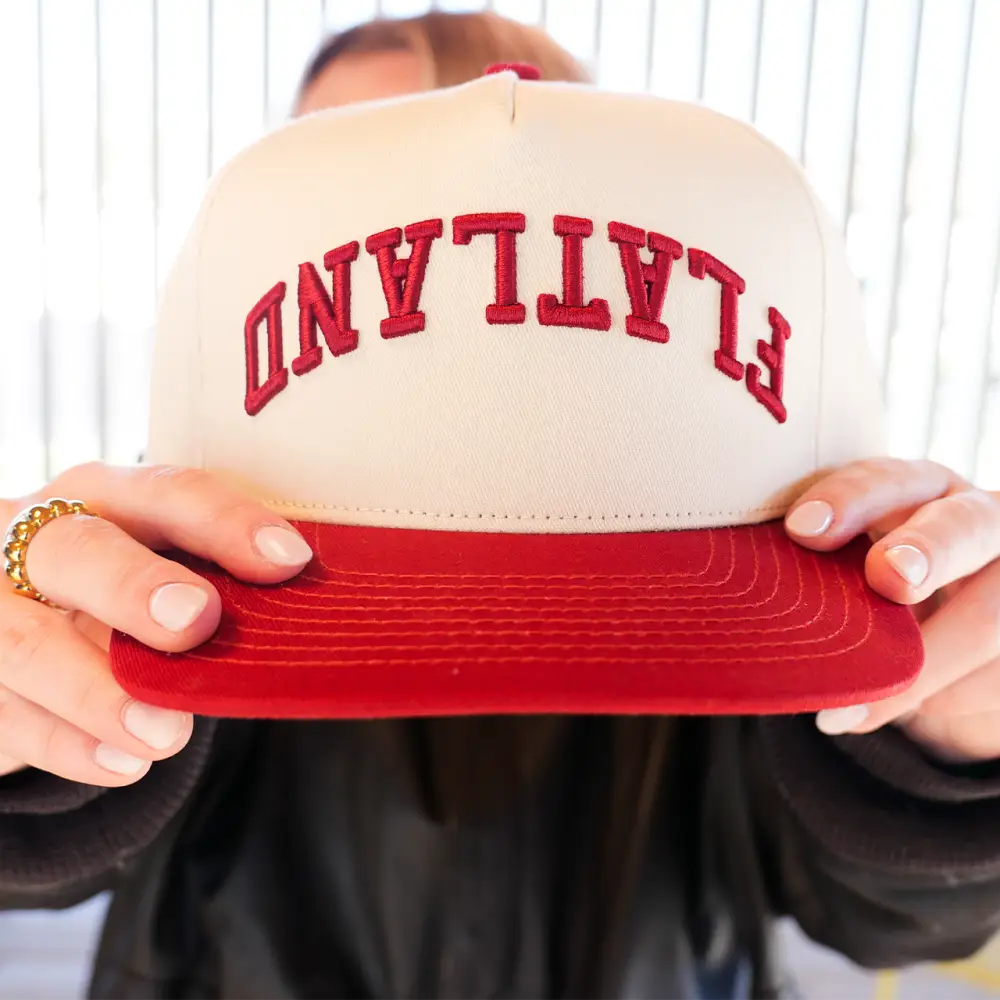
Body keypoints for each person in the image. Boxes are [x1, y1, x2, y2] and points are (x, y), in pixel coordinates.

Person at [1, 11, 1000, 1000]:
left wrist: (939, 748)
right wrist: (33, 705)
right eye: (330, 170)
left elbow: (885, 910)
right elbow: (44, 859)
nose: (387, 227)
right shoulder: (172, 541)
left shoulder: (741, 530)